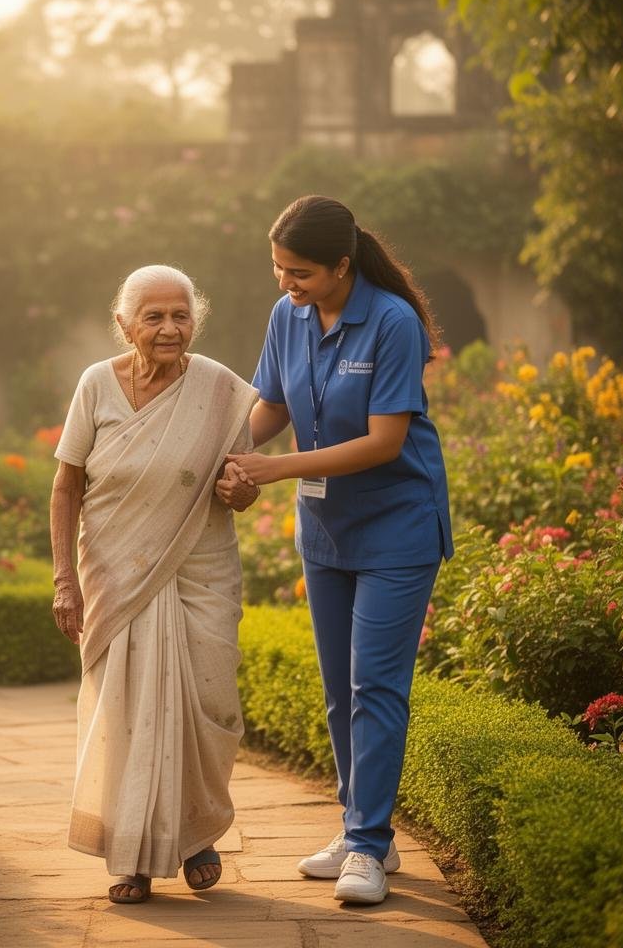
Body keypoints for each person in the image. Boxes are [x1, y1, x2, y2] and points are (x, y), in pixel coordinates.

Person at [224, 195, 453, 905]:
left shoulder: (391, 321)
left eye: (300, 273)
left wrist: (273, 469)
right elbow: (272, 405)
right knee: (337, 691)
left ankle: (369, 847)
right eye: (278, 270)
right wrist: (223, 457)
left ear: (342, 266)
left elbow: (385, 441)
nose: (286, 285)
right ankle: (360, 830)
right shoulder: (286, 316)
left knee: (375, 688)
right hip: (325, 531)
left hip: (397, 526)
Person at [50, 264, 259, 905]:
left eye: (180, 316)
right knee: (126, 714)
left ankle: (195, 835)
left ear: (195, 320)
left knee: (208, 703)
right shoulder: (95, 385)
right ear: (124, 323)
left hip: (201, 571)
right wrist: (64, 580)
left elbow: (240, 483)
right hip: (114, 572)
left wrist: (242, 489)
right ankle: (132, 857)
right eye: (154, 317)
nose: (170, 328)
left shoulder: (221, 392)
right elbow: (66, 486)